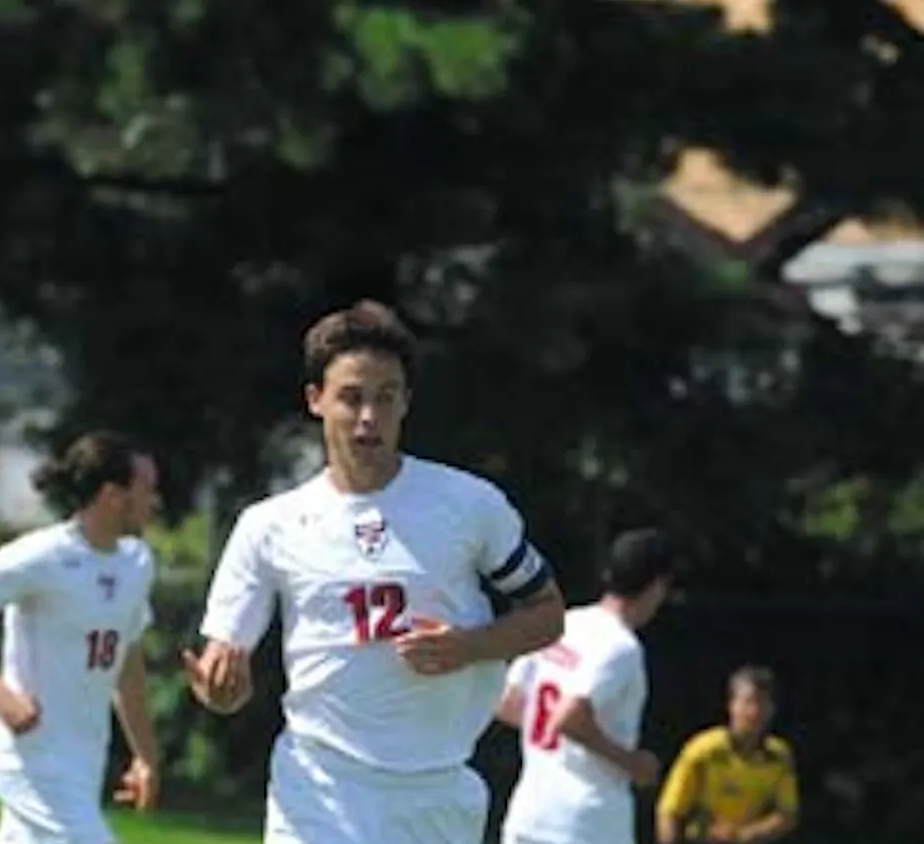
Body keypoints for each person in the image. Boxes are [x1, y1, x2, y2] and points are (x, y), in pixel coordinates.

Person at [182, 299, 567, 844]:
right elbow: (225, 671)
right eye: (352, 397)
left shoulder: (468, 504)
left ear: (406, 402)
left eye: (385, 398)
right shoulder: (269, 526)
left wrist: (470, 646)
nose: (368, 417)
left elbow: (548, 615)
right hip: (319, 783)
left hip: (436, 791)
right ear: (315, 400)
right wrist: (221, 691)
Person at [0, 429, 163, 844]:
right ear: (112, 495)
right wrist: (1, 696)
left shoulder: (136, 564)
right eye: (146, 490)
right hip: (31, 760)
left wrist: (145, 756)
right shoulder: (41, 556)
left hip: (83, 763)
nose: (153, 503)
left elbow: (127, 666)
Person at [495, 528, 677, 844]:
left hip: (531, 811)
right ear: (657, 586)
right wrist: (633, 763)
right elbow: (570, 718)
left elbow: (507, 703)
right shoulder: (621, 646)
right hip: (587, 821)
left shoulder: (567, 624)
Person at [656, 665, 799, 844]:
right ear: (731, 705)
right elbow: (670, 811)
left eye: (762, 703)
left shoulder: (779, 756)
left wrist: (743, 835)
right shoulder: (704, 751)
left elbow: (787, 814)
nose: (754, 712)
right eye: (748, 702)